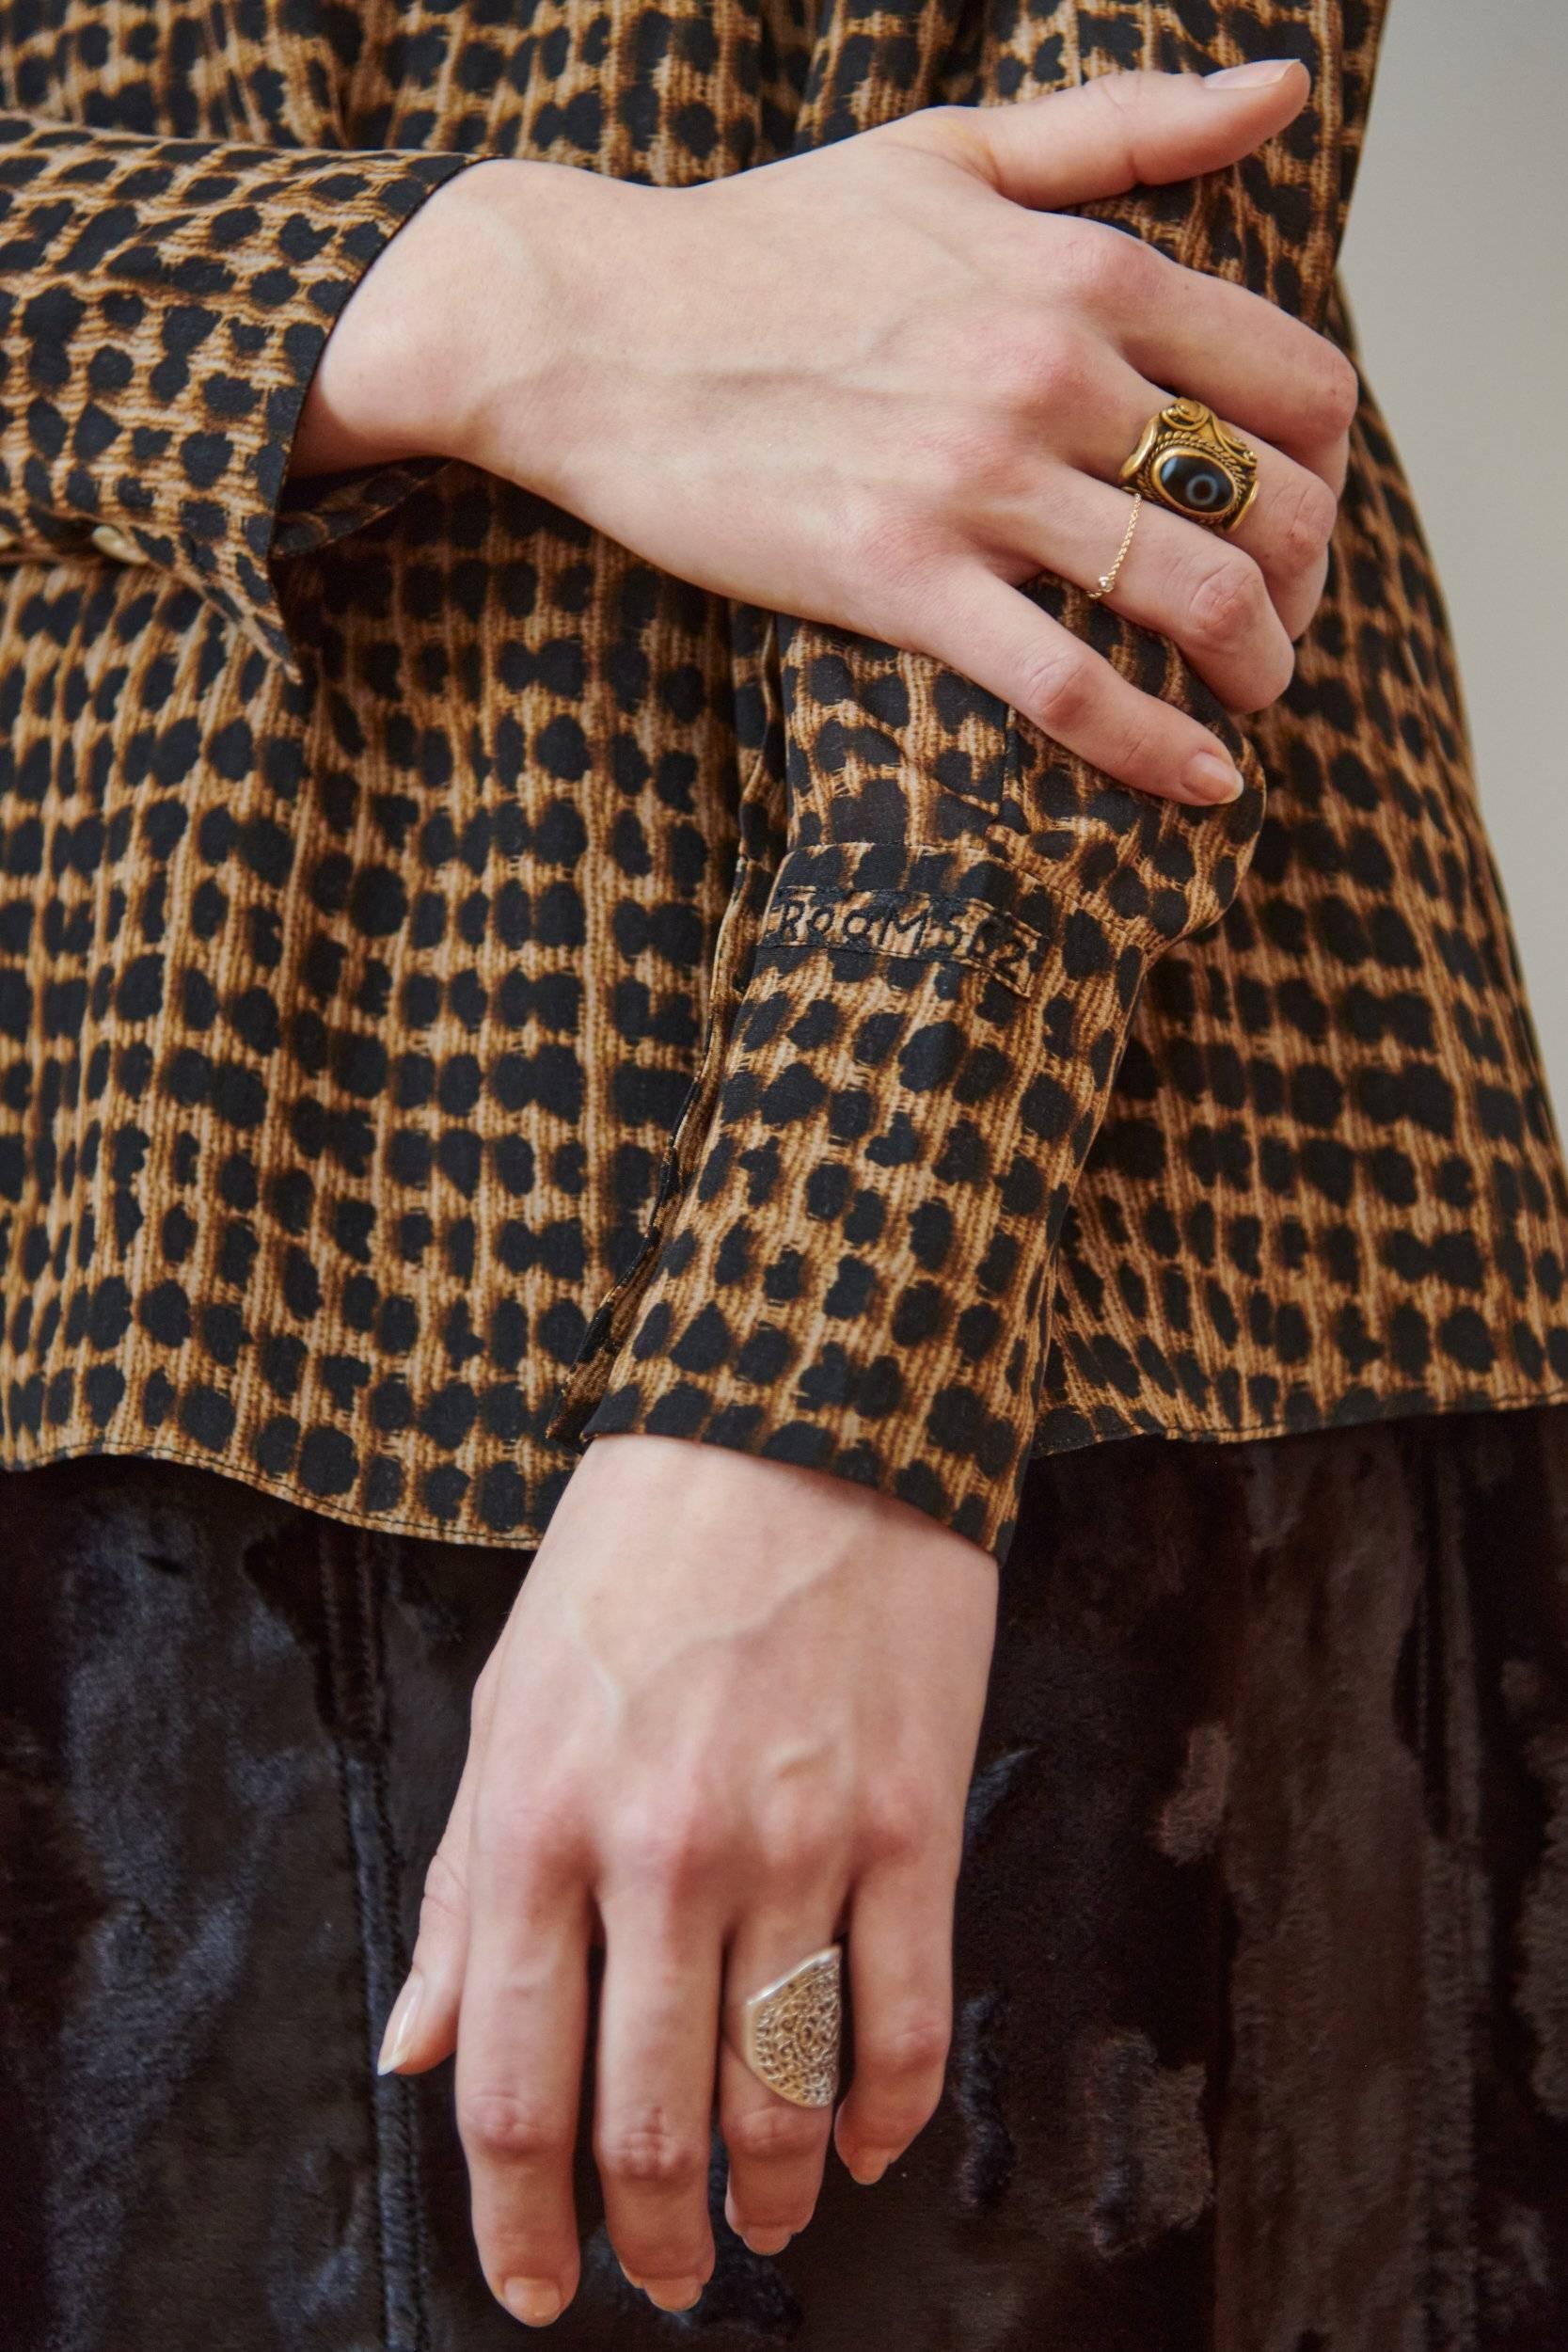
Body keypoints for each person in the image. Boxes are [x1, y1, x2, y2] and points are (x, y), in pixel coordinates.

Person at [4, 2, 1566, 2345]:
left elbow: (1130, 198)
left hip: (1020, 1211)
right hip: (80, 1174)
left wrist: (839, 1323)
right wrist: (479, 288)